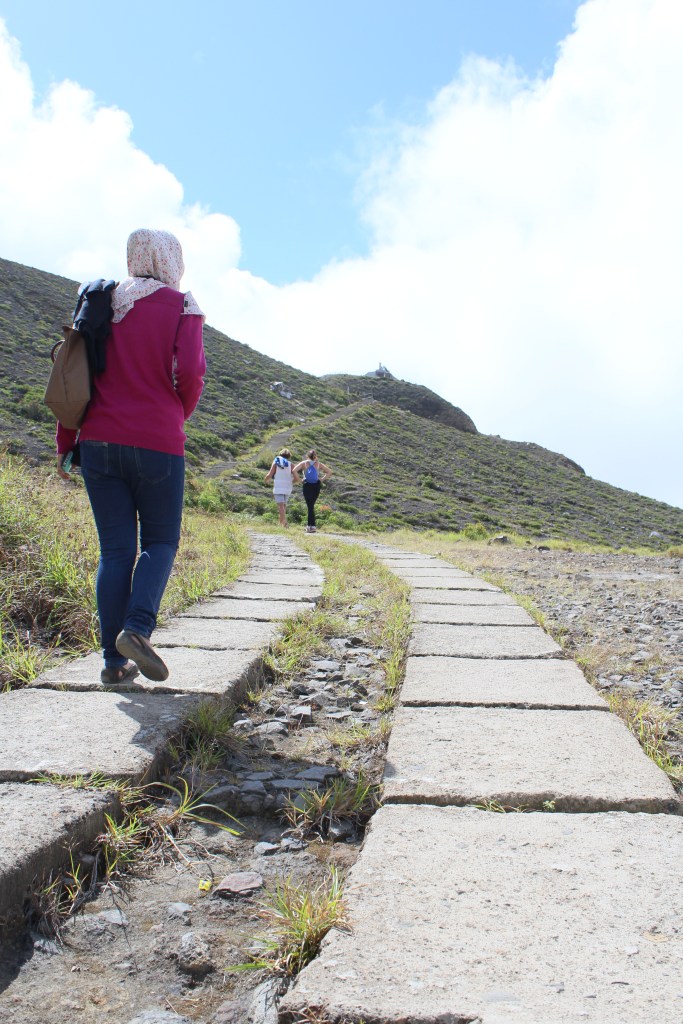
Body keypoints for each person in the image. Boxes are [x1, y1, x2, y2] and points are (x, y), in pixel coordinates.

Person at [57, 229, 206, 686]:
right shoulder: (182, 306)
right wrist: (172, 415)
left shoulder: (98, 302)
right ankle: (137, 630)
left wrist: (67, 442)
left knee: (115, 551)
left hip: (98, 443)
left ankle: (111, 661)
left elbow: (72, 374)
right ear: (171, 260)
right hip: (159, 443)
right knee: (159, 544)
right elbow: (192, 374)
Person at [293, 448, 332, 533]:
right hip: (316, 485)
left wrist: (300, 480)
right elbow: (329, 472)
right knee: (311, 506)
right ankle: (311, 526)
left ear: (307, 456)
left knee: (310, 506)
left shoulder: (304, 463)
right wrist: (321, 479)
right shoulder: (318, 464)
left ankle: (311, 526)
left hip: (307, 485)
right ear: (315, 457)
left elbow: (294, 470)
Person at [264, 448, 299, 526]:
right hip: (288, 487)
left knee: (280, 506)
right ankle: (281, 523)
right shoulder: (291, 465)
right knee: (283, 506)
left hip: (278, 487)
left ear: (280, 455)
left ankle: (285, 523)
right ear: (289, 456)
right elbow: (297, 478)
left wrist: (265, 480)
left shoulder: (276, 463)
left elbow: (269, 475)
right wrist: (290, 482)